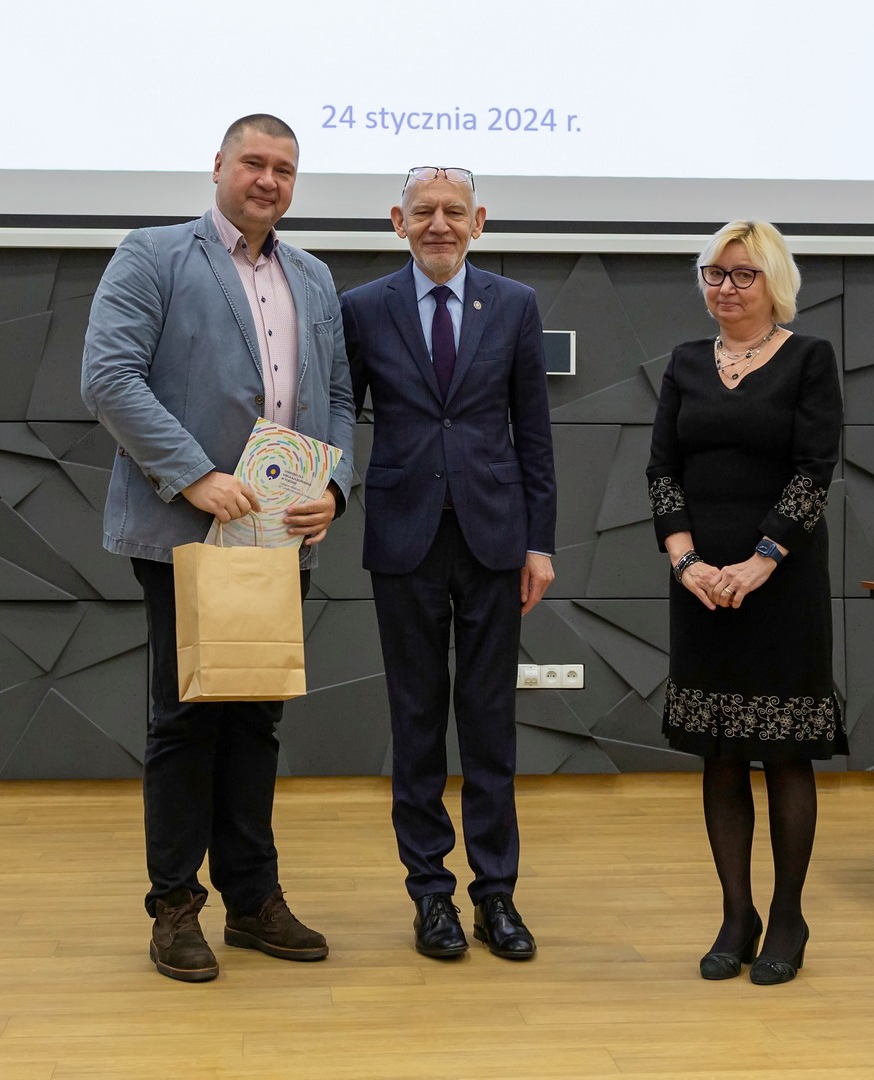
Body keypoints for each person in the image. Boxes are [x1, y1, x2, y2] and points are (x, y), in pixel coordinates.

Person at [81, 114, 356, 984]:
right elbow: (108, 379)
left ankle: (252, 899)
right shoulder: (154, 255)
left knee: (257, 719)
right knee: (186, 718)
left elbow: (339, 397)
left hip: (279, 537)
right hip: (185, 531)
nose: (268, 180)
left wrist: (334, 488)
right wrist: (194, 474)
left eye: (284, 169)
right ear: (218, 166)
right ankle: (174, 907)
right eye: (254, 163)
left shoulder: (312, 276)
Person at [341, 166, 556, 960]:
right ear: (397, 221)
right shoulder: (363, 307)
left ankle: (496, 893)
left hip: (496, 539)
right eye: (423, 211)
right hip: (404, 541)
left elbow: (534, 432)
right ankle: (430, 893)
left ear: (479, 221)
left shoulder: (515, 304)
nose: (439, 223)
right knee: (417, 720)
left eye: (454, 211)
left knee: (491, 723)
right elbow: (339, 411)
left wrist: (541, 543)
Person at [646, 220, 843, 985]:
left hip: (780, 582)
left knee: (785, 754)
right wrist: (686, 561)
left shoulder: (809, 359)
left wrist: (761, 561)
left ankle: (788, 917)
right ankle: (737, 915)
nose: (725, 287)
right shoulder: (685, 362)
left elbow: (813, 470)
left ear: (774, 281)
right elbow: (663, 471)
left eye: (742, 274)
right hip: (700, 585)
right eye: (714, 273)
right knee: (721, 753)